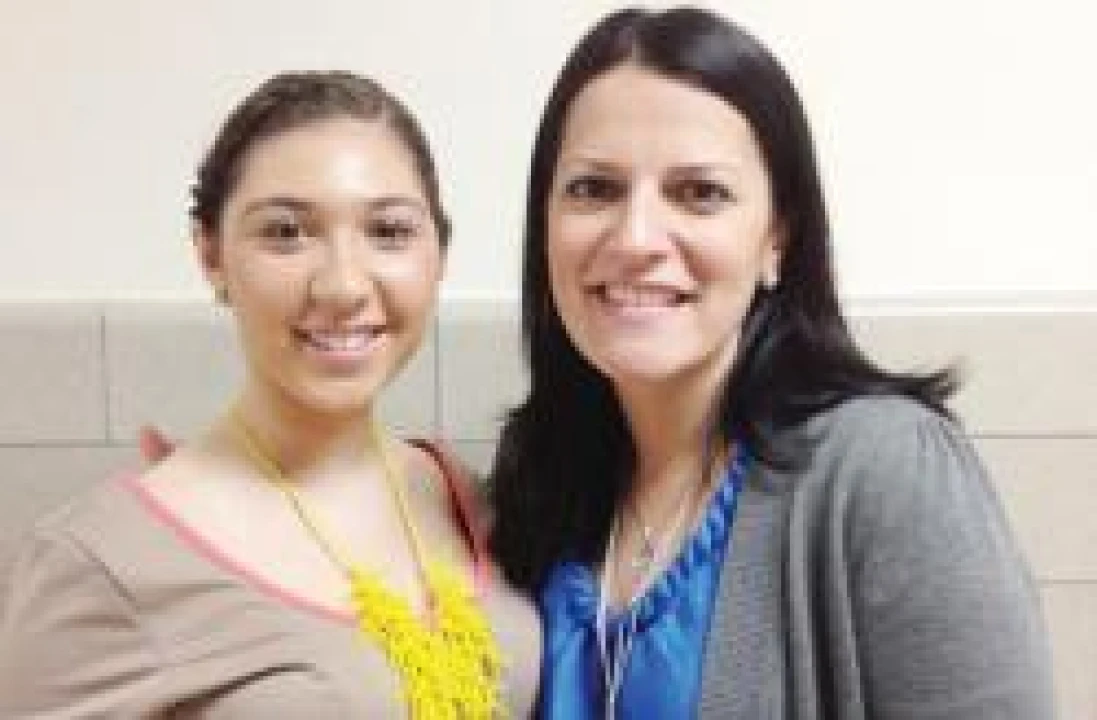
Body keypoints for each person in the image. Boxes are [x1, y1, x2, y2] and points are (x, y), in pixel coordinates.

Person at [488, 7, 1055, 718]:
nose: (635, 238)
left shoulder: (885, 470)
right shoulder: (541, 483)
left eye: (700, 193)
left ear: (776, 238)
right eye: (593, 188)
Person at [0, 71, 540, 718]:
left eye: (389, 231)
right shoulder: (98, 564)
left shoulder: (470, 497)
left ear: (439, 253)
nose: (343, 286)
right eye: (286, 232)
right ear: (211, 255)